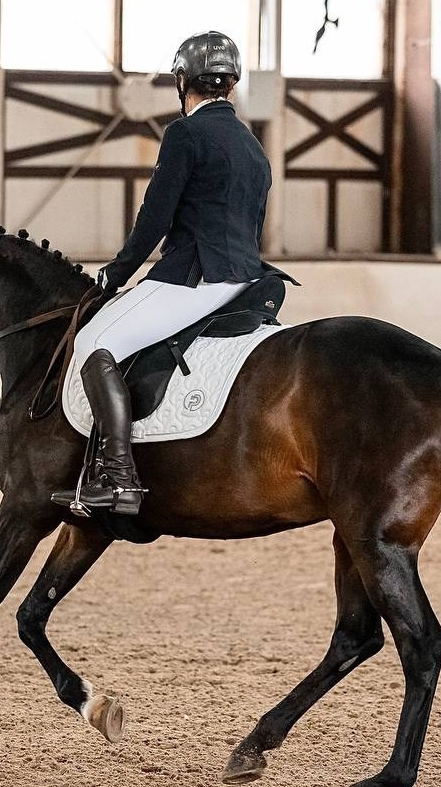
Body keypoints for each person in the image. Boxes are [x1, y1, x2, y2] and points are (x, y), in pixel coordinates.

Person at [50, 31, 293, 516]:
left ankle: (118, 477)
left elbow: (155, 218)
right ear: (230, 83)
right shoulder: (251, 144)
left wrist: (115, 276)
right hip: (245, 277)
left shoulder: (185, 134)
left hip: (195, 278)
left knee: (94, 346)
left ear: (182, 82)